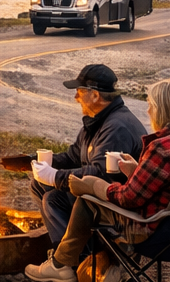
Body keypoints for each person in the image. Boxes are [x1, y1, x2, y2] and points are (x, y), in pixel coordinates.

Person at [25, 79, 170, 282]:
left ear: (163, 109)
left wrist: (96, 186)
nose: (148, 110)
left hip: (157, 231)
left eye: (151, 105)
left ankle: (62, 264)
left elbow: (129, 198)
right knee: (81, 195)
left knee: (86, 199)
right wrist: (136, 171)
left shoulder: (162, 148)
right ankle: (68, 263)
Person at [26, 64, 144, 267]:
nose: (76, 97)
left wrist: (55, 177)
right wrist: (41, 163)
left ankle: (70, 264)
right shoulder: (97, 121)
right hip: (100, 196)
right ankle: (70, 247)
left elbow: (101, 174)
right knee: (39, 185)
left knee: (54, 199)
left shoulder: (117, 127)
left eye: (80, 92)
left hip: (117, 205)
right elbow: (73, 156)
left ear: (95, 95)